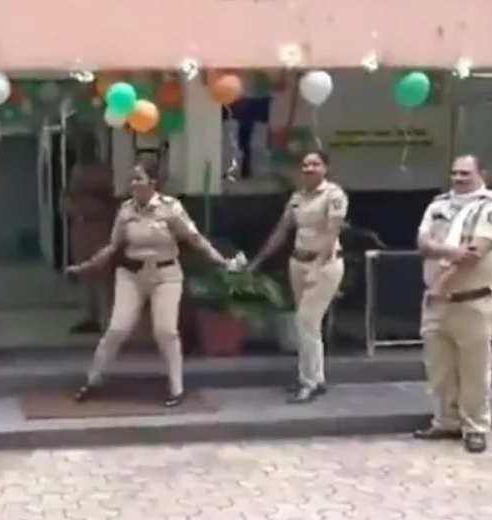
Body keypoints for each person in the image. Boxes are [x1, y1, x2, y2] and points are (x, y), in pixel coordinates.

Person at [67, 156, 238, 407]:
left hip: (165, 276)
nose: (133, 184)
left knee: (165, 331)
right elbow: (113, 246)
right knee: (117, 329)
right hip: (131, 275)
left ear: (152, 182)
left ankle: (176, 388)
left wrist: (221, 262)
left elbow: (195, 239)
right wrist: (86, 266)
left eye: (139, 179)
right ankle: (93, 380)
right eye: (132, 179)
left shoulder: (170, 208)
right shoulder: (126, 210)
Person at [412, 154, 492, 454]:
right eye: (455, 173)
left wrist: (441, 285)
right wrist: (452, 251)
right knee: (439, 367)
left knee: (474, 368)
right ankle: (447, 421)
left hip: (472, 302)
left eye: (465, 173)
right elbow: (423, 243)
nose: (458, 178)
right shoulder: (439, 205)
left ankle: (475, 427)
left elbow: (475, 253)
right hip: (436, 303)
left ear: (482, 174)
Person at [249, 150, 347, 404]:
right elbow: (282, 231)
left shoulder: (334, 195)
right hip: (298, 263)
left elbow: (332, 232)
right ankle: (317, 377)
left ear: (325, 168)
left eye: (315, 164)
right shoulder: (297, 197)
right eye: (305, 165)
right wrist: (258, 261)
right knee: (309, 325)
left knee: (305, 321)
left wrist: (317, 266)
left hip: (325, 265)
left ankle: (308, 382)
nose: (309, 169)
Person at [62, 134, 117, 333]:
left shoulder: (104, 170)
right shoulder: (76, 170)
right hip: (81, 224)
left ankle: (107, 319)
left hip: (99, 224)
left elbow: (109, 196)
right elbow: (70, 194)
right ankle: (90, 317)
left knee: (103, 273)